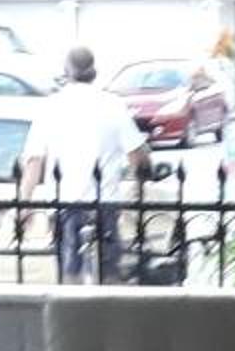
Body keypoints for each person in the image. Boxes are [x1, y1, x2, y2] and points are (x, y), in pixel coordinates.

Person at [19, 46, 148, 282]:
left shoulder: (51, 106)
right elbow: (137, 156)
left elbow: (34, 161)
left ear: (66, 71)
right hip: (104, 203)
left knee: (70, 276)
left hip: (64, 203)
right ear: (94, 71)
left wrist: (24, 204)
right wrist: (136, 187)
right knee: (108, 276)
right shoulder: (113, 104)